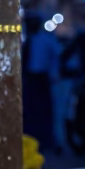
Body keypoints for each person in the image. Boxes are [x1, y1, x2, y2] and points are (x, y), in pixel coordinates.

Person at [21, 11, 60, 152]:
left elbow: (55, 58)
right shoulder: (22, 40)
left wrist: (54, 74)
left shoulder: (46, 40)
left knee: (44, 109)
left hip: (41, 78)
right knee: (27, 109)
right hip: (27, 78)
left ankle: (46, 140)